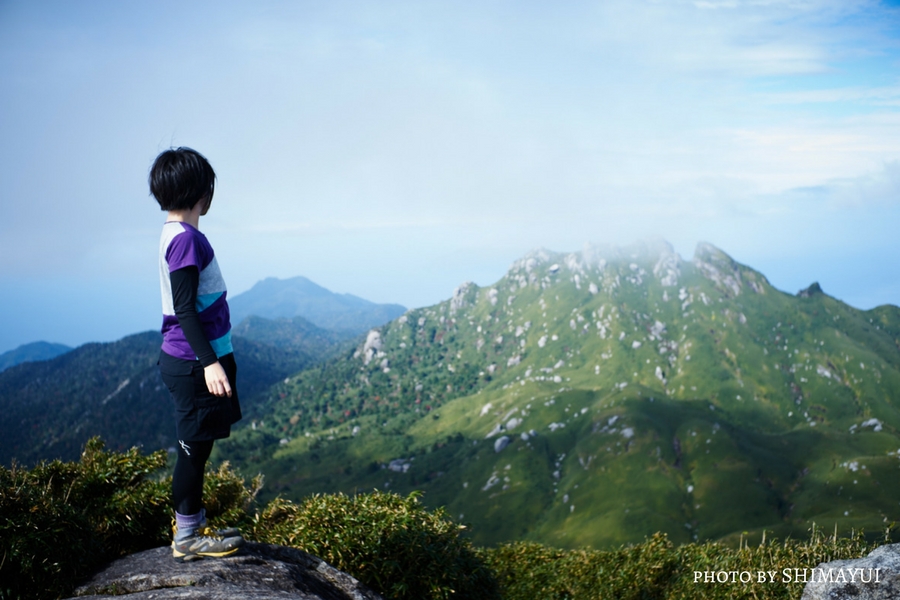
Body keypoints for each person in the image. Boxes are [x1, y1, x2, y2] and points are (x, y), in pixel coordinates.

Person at [149, 147, 244, 561]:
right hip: (193, 362)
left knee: (198, 449)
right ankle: (186, 538)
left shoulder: (172, 233)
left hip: (192, 359)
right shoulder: (186, 240)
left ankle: (192, 523)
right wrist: (210, 363)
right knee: (192, 451)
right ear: (201, 191)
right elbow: (186, 309)